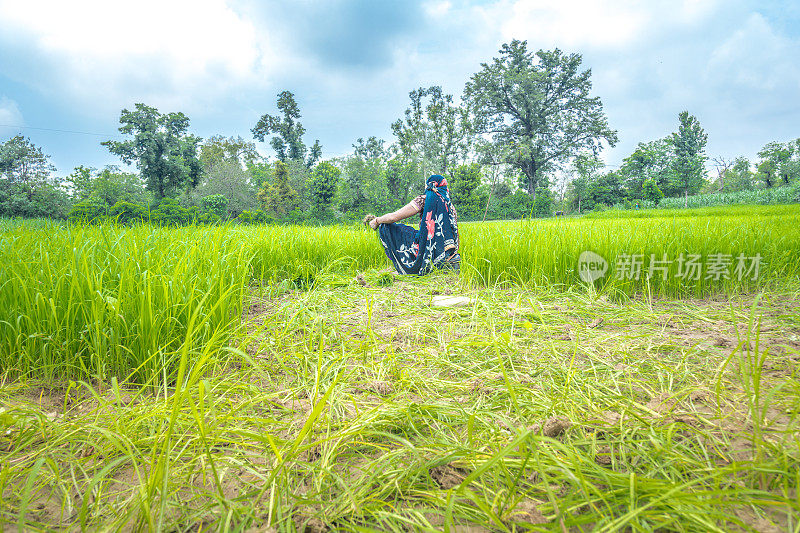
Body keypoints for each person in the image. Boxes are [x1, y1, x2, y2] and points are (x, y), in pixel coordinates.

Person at [366, 174, 460, 274]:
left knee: (386, 226)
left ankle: (418, 264)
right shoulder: (450, 206)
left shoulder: (424, 200)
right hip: (450, 252)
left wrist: (377, 221)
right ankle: (447, 261)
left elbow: (393, 217)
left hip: (427, 250)